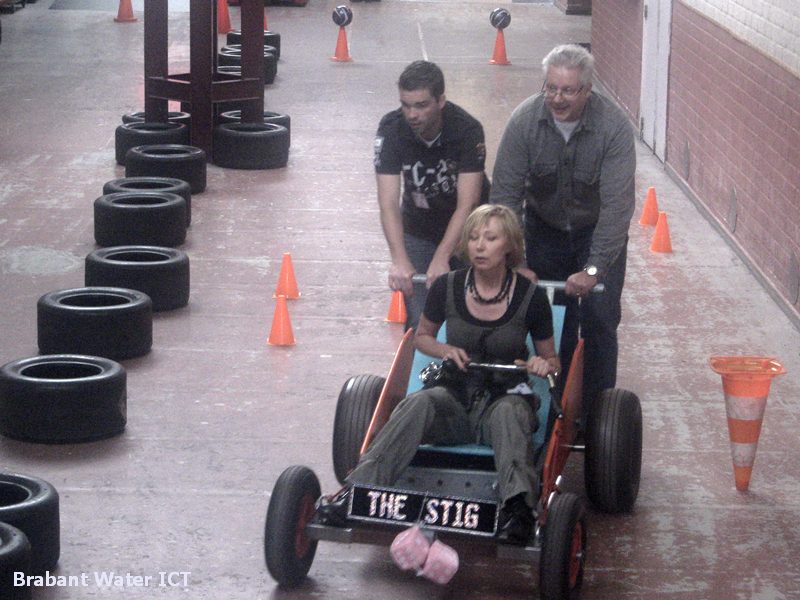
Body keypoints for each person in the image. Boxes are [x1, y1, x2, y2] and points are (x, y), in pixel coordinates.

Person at [318, 205, 560, 543]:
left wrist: (540, 364)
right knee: (419, 402)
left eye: (490, 238)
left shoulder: (531, 298)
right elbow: (422, 337)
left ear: (509, 246)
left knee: (510, 413)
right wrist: (445, 350)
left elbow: (552, 361)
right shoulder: (447, 286)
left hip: (503, 400)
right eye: (473, 237)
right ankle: (358, 491)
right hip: (455, 401)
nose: (479, 246)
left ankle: (518, 509)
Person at [489, 44, 636, 418]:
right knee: (548, 320)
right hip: (544, 232)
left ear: (587, 90)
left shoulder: (613, 128)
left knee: (600, 322)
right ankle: (548, 407)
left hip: (595, 234)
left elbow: (618, 208)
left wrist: (593, 270)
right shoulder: (524, 122)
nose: (557, 98)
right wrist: (515, 261)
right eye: (551, 88)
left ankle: (598, 416)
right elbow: (505, 196)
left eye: (568, 90)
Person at [375, 60, 489, 330]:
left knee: (472, 315)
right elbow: (388, 202)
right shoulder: (391, 129)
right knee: (421, 320)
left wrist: (443, 256)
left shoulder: (467, 130)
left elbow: (468, 203)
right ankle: (421, 370)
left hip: (469, 231)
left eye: (421, 105)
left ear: (441, 101)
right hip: (419, 228)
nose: (412, 114)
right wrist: (400, 259)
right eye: (406, 105)